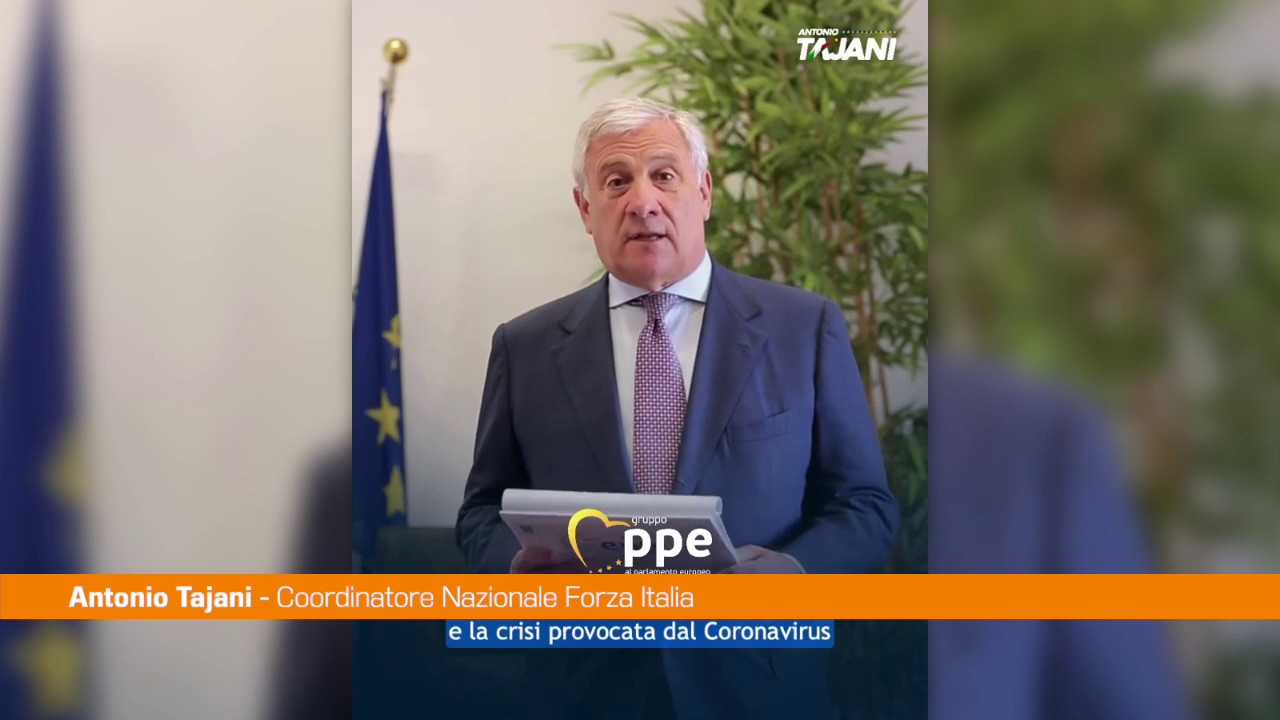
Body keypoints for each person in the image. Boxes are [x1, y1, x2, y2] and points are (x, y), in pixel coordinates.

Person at [455, 98, 898, 719]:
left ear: (704, 192)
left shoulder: (803, 328)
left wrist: (795, 572)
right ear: (585, 209)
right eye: (616, 182)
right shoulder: (524, 345)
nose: (643, 201)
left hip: (756, 683)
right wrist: (518, 571)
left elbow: (866, 505)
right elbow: (480, 511)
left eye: (664, 175)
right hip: (583, 688)